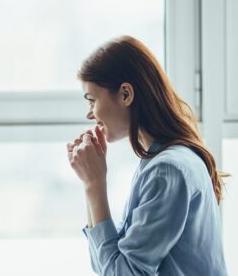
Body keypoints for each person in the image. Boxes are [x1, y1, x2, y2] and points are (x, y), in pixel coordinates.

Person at [66, 36, 228, 275]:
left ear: (125, 94)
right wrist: (89, 181)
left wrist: (95, 185)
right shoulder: (157, 161)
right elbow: (107, 264)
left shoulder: (167, 170)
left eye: (92, 100)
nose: (90, 114)